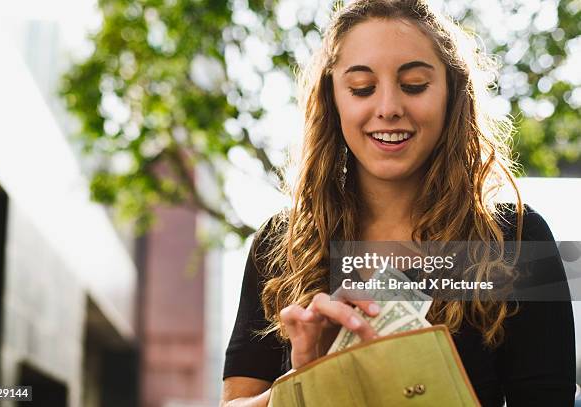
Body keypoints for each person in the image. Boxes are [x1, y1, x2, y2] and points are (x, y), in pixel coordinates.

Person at [220, 0, 576, 406]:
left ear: (451, 94)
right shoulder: (281, 244)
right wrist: (307, 380)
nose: (388, 108)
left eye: (414, 85)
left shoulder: (516, 240)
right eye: (362, 89)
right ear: (333, 100)